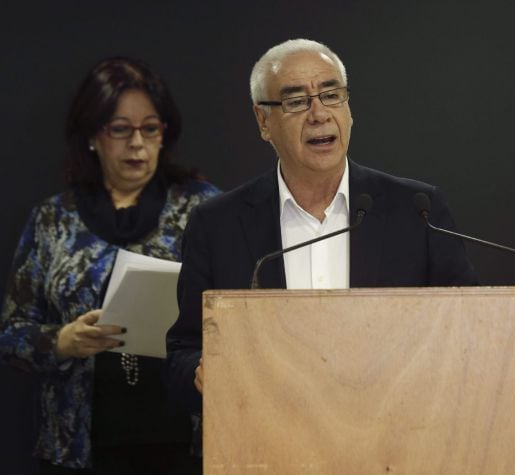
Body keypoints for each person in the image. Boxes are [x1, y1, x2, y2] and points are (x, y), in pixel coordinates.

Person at [165, 38, 477, 413]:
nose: (319, 114)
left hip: (396, 436)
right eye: (296, 101)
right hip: (266, 442)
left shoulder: (416, 210)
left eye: (332, 95)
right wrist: (201, 373)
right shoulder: (218, 224)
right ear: (264, 121)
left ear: (349, 109)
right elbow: (184, 351)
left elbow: (468, 328)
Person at [0, 57, 220, 473]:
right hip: (78, 445)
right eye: (120, 129)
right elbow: (11, 335)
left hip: (185, 441)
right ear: (91, 136)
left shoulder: (203, 208)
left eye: (150, 128)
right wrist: (62, 341)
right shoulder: (52, 220)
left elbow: (244, 308)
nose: (137, 143)